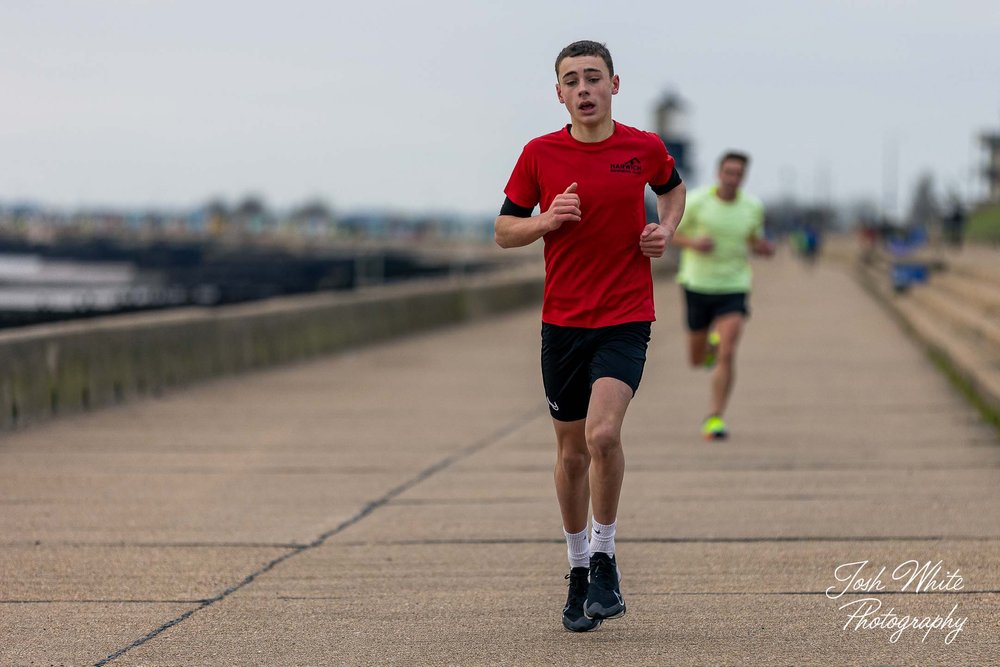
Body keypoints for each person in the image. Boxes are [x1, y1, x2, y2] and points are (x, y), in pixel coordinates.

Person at [495, 40, 685, 632]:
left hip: (626, 315)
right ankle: (577, 568)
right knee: (571, 452)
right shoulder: (539, 154)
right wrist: (545, 221)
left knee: (604, 434)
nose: (583, 88)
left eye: (593, 78)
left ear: (614, 85)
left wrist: (666, 229)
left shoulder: (643, 147)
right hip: (564, 324)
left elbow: (672, 189)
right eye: (572, 80)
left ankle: (604, 557)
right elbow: (503, 230)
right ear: (559, 93)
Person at [672, 151, 773, 440]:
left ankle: (715, 417)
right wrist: (693, 242)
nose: (732, 178)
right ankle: (709, 347)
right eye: (728, 172)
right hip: (697, 284)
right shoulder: (697, 200)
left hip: (734, 285)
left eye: (738, 174)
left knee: (728, 352)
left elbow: (754, 240)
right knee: (696, 358)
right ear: (719, 173)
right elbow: (670, 233)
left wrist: (763, 248)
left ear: (744, 177)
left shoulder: (752, 207)